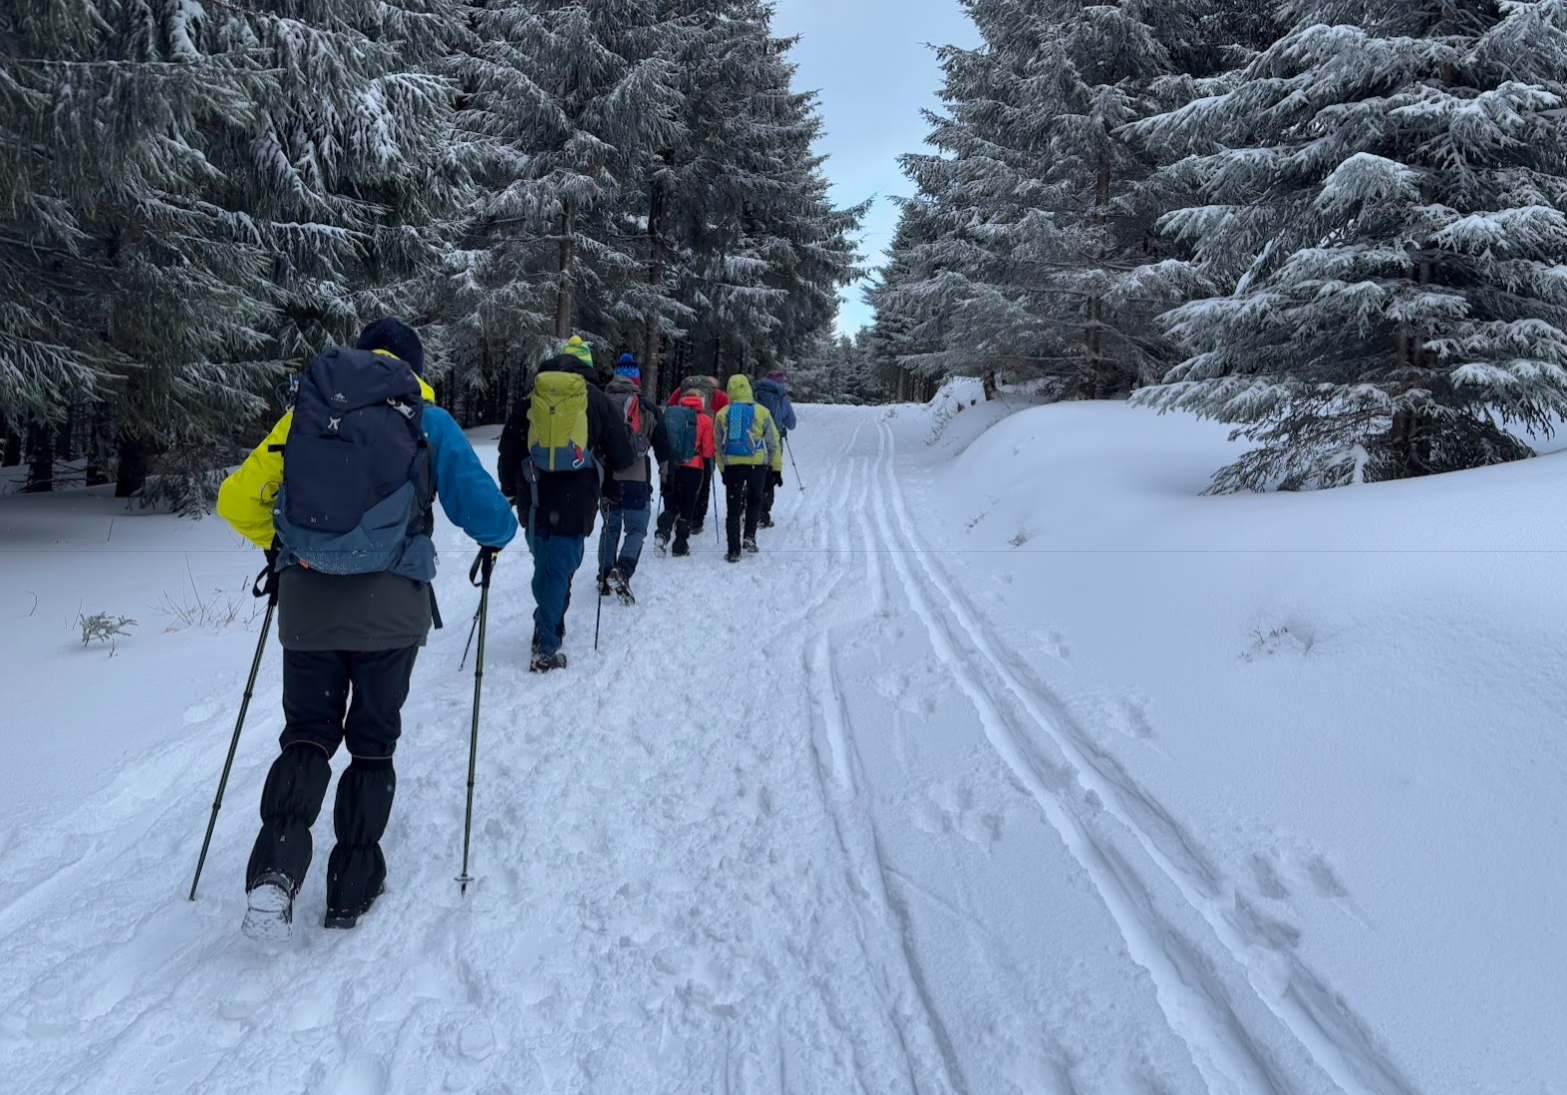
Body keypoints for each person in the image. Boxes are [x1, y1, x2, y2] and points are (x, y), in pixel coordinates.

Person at [216, 318, 518, 940]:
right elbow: (488, 515)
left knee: (307, 734)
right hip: (391, 612)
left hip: (309, 610)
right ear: (412, 367)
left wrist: (285, 550)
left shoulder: (308, 414)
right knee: (372, 742)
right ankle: (350, 887)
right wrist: (496, 540)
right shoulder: (427, 419)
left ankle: (275, 869)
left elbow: (236, 501)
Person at [497, 337, 635, 671]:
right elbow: (625, 454)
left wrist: (511, 490)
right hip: (575, 498)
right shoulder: (596, 400)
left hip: (533, 495)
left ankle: (548, 623)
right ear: (585, 367)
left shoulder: (531, 398)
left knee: (546, 564)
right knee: (560, 568)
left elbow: (508, 449)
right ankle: (545, 646)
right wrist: (611, 483)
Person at [598, 354, 671, 602]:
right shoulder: (647, 405)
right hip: (637, 477)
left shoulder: (601, 402)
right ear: (636, 379)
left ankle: (604, 575)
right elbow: (663, 445)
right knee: (636, 528)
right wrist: (665, 473)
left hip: (607, 476)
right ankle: (623, 569)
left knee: (610, 527)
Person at [712, 375, 781, 562]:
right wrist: (776, 468)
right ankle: (749, 536)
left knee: (733, 509)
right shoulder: (762, 412)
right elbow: (773, 442)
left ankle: (733, 550)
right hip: (756, 464)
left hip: (733, 466)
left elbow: (717, 445)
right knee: (754, 500)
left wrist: (722, 468)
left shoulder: (723, 413)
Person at [653, 391, 715, 557]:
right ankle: (680, 544)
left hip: (671, 466)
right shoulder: (705, 420)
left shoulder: (672, 416)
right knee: (687, 505)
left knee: (670, 503)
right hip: (693, 467)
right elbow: (708, 450)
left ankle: (663, 530)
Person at [666, 375, 727, 533]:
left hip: (676, 455)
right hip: (698, 456)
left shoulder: (679, 392)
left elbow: (669, 411)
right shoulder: (717, 398)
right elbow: (724, 416)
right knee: (702, 485)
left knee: (675, 485)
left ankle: (673, 514)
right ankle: (695, 520)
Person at [753, 370, 797, 529]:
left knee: (753, 475)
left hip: (754, 441)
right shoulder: (780, 397)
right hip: (774, 441)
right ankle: (763, 514)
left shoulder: (755, 393)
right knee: (770, 476)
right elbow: (792, 423)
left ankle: (748, 510)